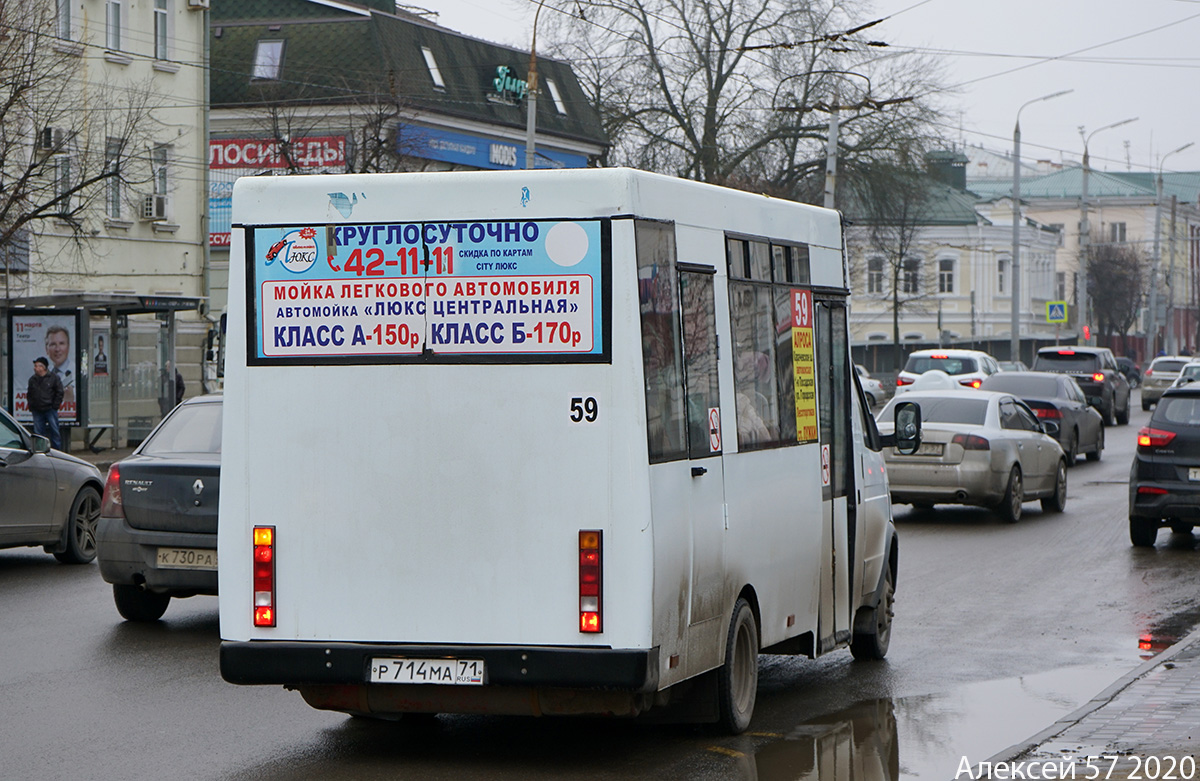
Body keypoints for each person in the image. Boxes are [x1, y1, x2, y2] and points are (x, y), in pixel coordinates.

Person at [27, 356, 64, 450]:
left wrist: (55, 406)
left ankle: (57, 451)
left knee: (54, 431)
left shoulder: (53, 378)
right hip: (37, 409)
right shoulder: (32, 379)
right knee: (38, 433)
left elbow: (59, 392)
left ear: (43, 367)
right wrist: (32, 406)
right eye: (35, 366)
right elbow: (29, 394)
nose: (35, 368)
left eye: (37, 366)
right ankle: (40, 450)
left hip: (50, 409)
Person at [44, 325, 75, 408]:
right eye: (53, 344)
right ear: (46, 349)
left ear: (68, 347)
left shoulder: (76, 372)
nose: (57, 349)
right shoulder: (45, 372)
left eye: (61, 343)